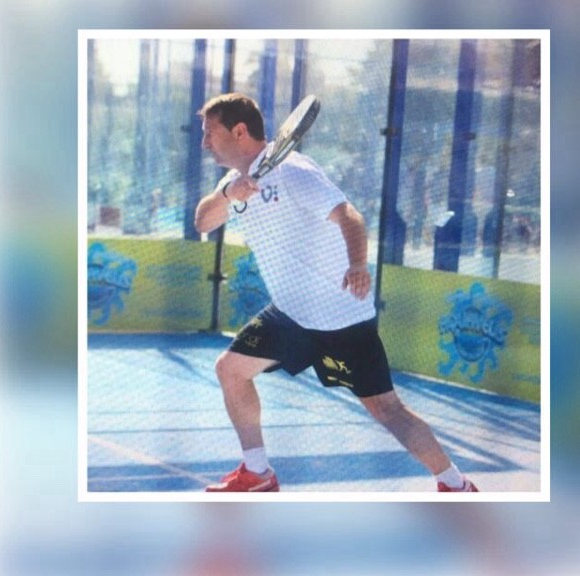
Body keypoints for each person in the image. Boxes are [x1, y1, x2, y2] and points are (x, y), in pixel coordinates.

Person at [195, 92, 478, 493]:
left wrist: (358, 265)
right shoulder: (234, 182)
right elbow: (202, 222)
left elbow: (349, 215)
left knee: (386, 409)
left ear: (239, 131)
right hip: (291, 315)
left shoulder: (293, 171)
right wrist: (228, 194)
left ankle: (456, 485)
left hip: (338, 318)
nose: (205, 142)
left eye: (210, 132)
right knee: (230, 370)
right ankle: (258, 473)